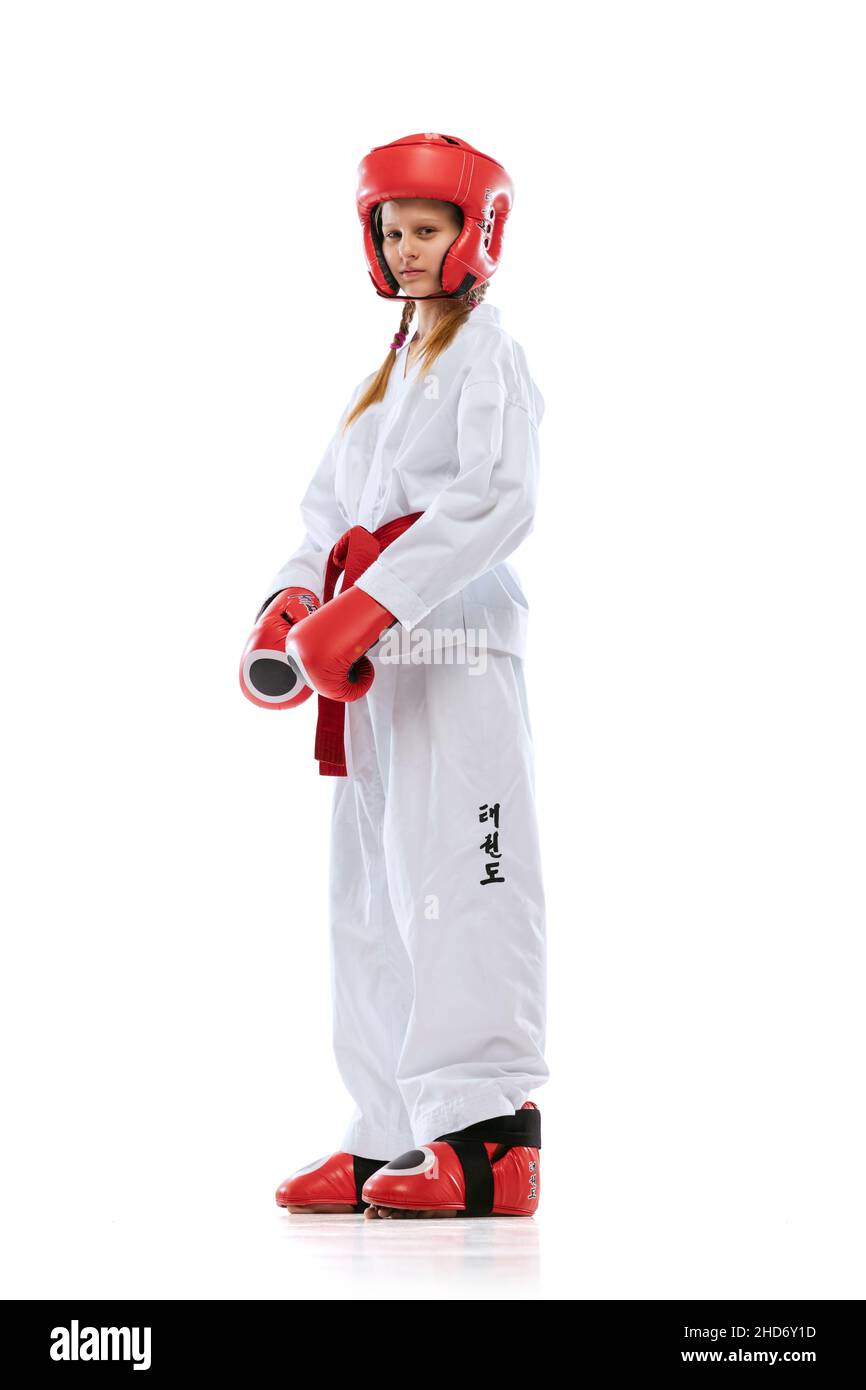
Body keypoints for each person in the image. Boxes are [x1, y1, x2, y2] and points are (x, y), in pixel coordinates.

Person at [240, 133, 548, 1219]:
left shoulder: (488, 355)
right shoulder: (384, 371)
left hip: (451, 644)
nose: (407, 248)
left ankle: (486, 1139)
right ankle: (386, 1136)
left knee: (465, 874)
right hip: (364, 666)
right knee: (366, 894)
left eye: (426, 230)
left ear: (476, 235)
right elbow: (328, 513)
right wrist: (291, 600)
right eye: (392, 231)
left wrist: (370, 604)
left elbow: (497, 499)